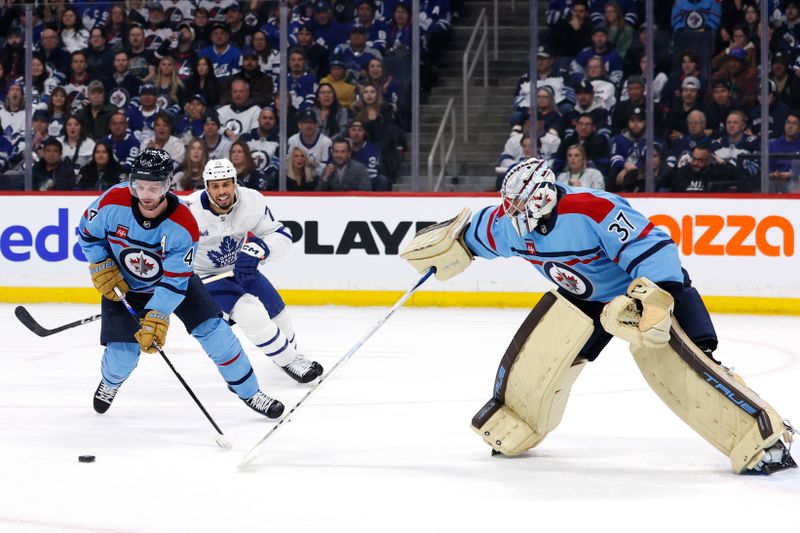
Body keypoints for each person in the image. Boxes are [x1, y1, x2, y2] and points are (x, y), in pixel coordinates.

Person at [399, 157, 797, 475]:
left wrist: (658, 300)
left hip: (639, 292)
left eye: (520, 206)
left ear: (541, 197)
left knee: (682, 361)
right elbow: (475, 234)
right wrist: (454, 246)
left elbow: (654, 251)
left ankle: (760, 437)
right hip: (583, 300)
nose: (513, 214)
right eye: (510, 206)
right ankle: (517, 420)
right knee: (540, 358)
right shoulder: (509, 225)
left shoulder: (593, 208)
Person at [77, 148, 285, 418]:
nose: (145, 195)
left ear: (167, 185)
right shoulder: (111, 201)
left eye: (154, 188)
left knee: (217, 333)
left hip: (175, 284)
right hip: (124, 285)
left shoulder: (183, 223)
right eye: (139, 186)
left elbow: (176, 278)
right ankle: (110, 382)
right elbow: (87, 233)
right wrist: (101, 263)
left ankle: (250, 391)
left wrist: (157, 314)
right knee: (122, 356)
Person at [185, 158, 324, 383]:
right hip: (207, 276)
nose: (222, 191)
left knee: (277, 309)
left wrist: (260, 248)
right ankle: (289, 360)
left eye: (226, 184)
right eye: (215, 185)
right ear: (207, 187)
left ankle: (291, 357)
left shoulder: (251, 200)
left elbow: (281, 235)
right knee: (251, 313)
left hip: (241, 267)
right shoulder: (189, 210)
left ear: (234, 183)